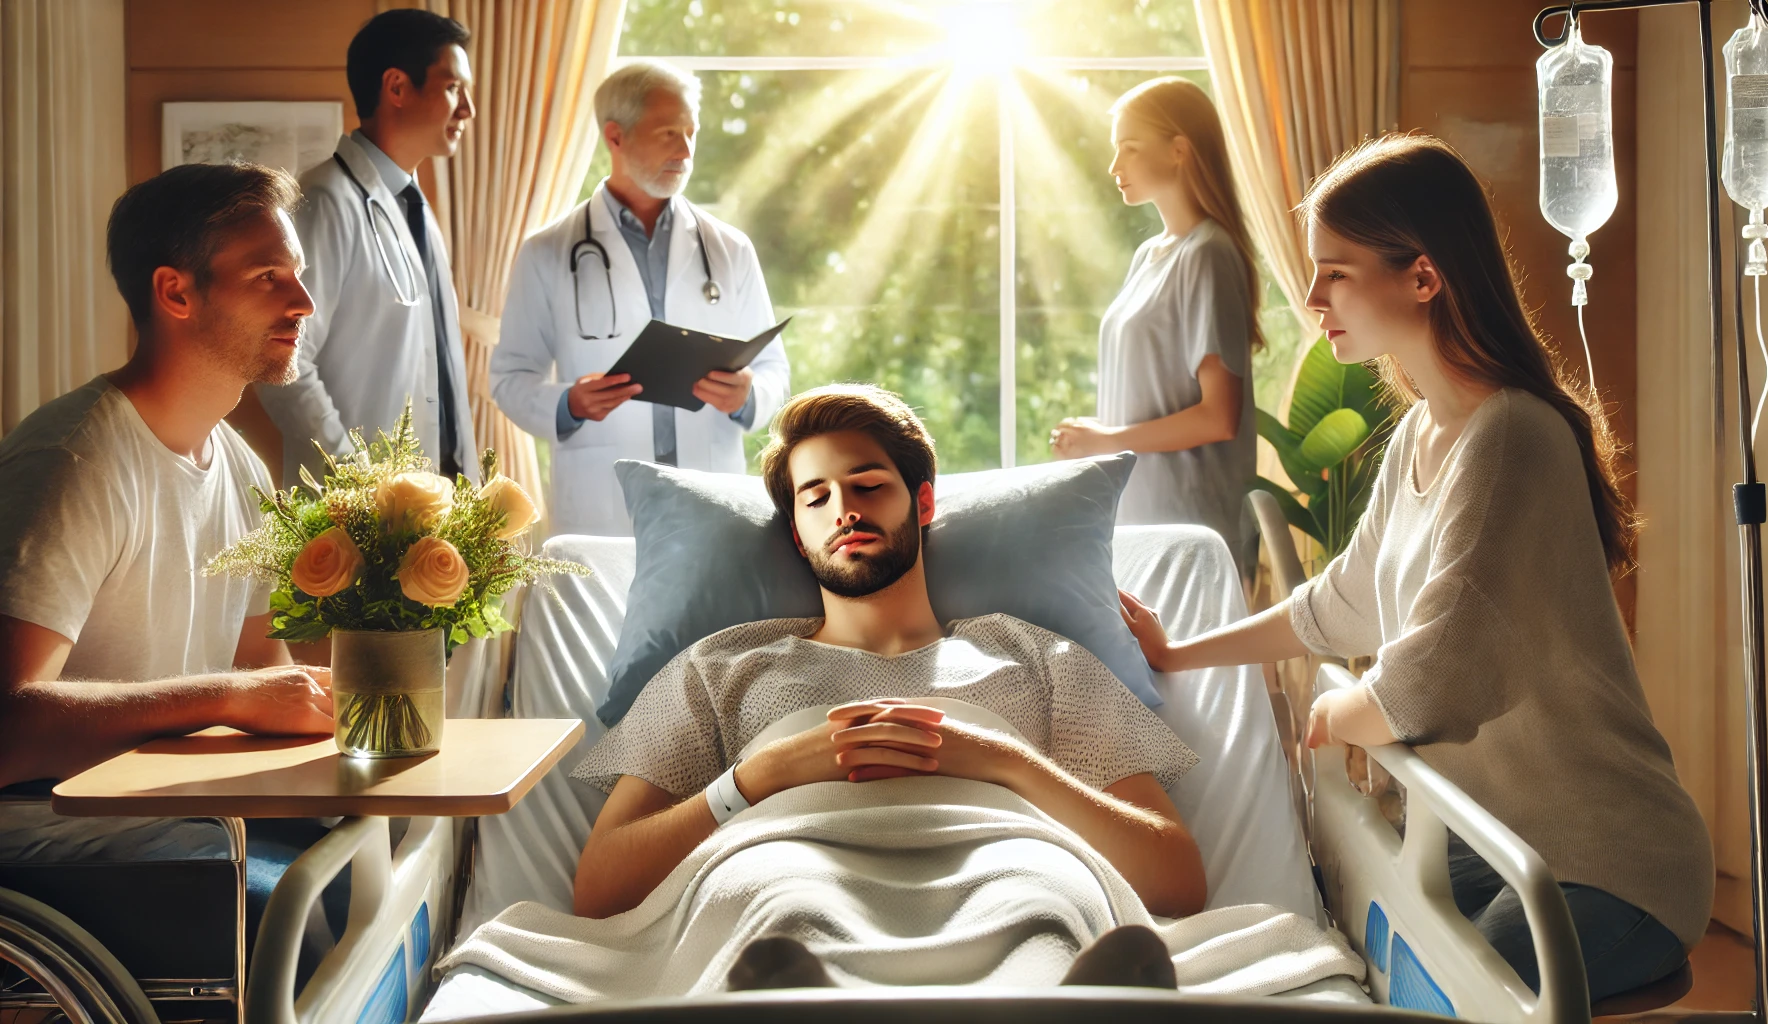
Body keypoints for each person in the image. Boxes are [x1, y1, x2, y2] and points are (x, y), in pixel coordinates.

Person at [1117, 133, 1712, 1005]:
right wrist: (1179, 653)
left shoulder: (1512, 437)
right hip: (1496, 842)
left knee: (1452, 996)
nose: (1312, 297)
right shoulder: (1424, 434)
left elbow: (1435, 678)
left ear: (1423, 277)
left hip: (1607, 865)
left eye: (1336, 272)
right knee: (1334, 955)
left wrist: (1329, 712)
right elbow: (1341, 604)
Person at [567, 384, 1203, 989]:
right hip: (787, 871)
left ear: (923, 504)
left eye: (868, 485)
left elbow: (1177, 878)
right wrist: (763, 774)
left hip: (1008, 867)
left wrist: (1001, 761)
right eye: (814, 498)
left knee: (1038, 908)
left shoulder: (1037, 657)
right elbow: (599, 889)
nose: (844, 510)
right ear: (797, 533)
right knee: (784, 910)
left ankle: (1055, 985)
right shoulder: (723, 666)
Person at [0, 162, 346, 976]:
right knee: (300, 908)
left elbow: (267, 680)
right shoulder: (74, 458)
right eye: (269, 278)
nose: (302, 303)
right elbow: (7, 726)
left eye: (298, 277)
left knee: (369, 856)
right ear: (176, 293)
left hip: (177, 815)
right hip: (50, 837)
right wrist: (228, 697)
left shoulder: (242, 468)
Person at [491, 60, 791, 536]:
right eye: (669, 133)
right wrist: (569, 403)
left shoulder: (730, 249)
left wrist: (748, 395)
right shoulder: (547, 252)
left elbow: (775, 369)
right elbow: (509, 379)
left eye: (692, 132)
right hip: (603, 503)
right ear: (615, 137)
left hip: (711, 496)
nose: (686, 150)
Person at [258, 8, 480, 486]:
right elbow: (283, 363)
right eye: (453, 88)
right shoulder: (324, 200)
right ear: (396, 87)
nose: (468, 111)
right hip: (362, 513)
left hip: (440, 503)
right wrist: (358, 482)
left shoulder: (413, 208)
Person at [1051, 78, 1259, 574]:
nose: (1113, 166)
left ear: (1178, 150)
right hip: (1137, 516)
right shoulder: (1149, 255)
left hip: (1188, 527)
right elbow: (1154, 397)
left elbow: (1217, 417)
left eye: (1129, 148)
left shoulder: (1209, 254)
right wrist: (1097, 433)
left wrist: (1108, 439)